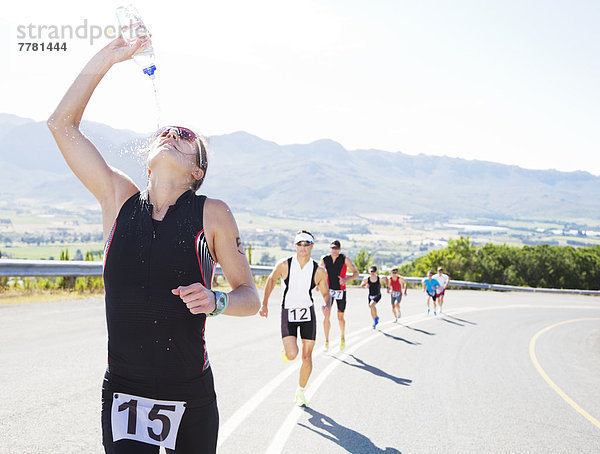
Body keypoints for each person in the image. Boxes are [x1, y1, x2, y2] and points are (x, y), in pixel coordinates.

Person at [48, 37, 260, 453]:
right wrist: (110, 57)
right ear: (147, 160)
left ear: (197, 171)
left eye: (184, 137)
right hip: (125, 392)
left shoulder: (212, 213)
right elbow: (61, 124)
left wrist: (216, 301)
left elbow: (249, 297)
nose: (172, 134)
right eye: (167, 132)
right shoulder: (117, 198)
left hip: (190, 393)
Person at [259, 230, 331, 407]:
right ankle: (286, 350)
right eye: (299, 244)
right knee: (292, 354)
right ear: (295, 245)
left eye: (307, 244)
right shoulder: (284, 265)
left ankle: (300, 391)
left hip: (308, 313)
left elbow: (326, 294)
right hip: (288, 312)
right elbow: (271, 279)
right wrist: (265, 303)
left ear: (312, 246)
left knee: (307, 357)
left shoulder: (318, 271)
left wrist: (326, 305)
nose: (303, 247)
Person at [320, 240, 359, 351]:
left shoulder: (345, 259)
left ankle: (342, 338)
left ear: (340, 249)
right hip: (328, 291)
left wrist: (346, 279)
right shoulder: (324, 259)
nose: (334, 250)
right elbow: (318, 272)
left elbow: (356, 273)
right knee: (326, 313)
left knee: (340, 317)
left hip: (340, 291)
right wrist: (319, 283)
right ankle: (326, 341)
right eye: (333, 248)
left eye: (336, 248)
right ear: (330, 248)